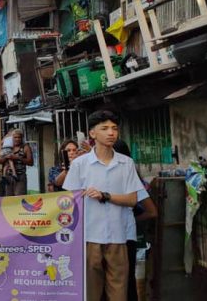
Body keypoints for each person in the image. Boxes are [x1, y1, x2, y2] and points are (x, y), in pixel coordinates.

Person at [62, 111, 144, 301]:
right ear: (92, 134)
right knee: (90, 292)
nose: (111, 133)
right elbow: (68, 201)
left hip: (118, 236)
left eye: (114, 128)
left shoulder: (126, 163)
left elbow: (132, 199)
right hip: (89, 237)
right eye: (105, 128)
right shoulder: (80, 164)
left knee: (119, 292)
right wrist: (79, 196)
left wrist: (105, 196)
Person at [113, 140, 158, 301]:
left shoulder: (134, 182)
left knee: (130, 284)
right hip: (110, 238)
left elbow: (152, 212)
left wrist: (130, 218)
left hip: (131, 240)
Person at [0, 129, 33, 196]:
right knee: (9, 199)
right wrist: (6, 157)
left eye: (19, 137)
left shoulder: (26, 147)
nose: (17, 139)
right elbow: (0, 161)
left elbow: (30, 162)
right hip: (8, 177)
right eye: (15, 137)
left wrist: (18, 158)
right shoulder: (8, 146)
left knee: (19, 198)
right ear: (12, 138)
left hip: (20, 177)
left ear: (22, 138)